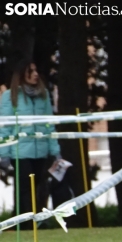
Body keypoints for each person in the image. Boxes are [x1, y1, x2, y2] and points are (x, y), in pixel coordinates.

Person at [0, 59, 62, 226]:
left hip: (41, 150)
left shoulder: (44, 95)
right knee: (24, 188)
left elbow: (49, 125)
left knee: (39, 186)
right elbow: (5, 127)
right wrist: (4, 154)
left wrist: (55, 151)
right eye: (31, 71)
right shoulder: (9, 96)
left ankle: (37, 220)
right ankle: (24, 223)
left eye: (36, 71)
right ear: (22, 75)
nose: (35, 74)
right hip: (20, 152)